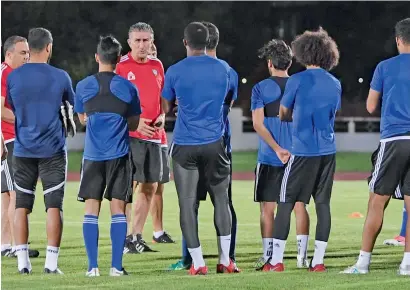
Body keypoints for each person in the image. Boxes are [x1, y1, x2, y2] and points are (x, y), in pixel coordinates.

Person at [263, 27, 341, 272]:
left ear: (303, 52)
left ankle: (276, 261)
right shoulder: (335, 83)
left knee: (285, 201)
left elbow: (284, 113)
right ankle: (317, 261)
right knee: (323, 205)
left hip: (302, 151)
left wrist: (291, 115)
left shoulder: (296, 80)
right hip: (327, 151)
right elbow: (332, 114)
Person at [163, 22, 235, 275]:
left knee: (187, 204)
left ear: (185, 42)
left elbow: (165, 107)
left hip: (185, 144)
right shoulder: (225, 69)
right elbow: (228, 101)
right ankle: (226, 261)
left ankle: (198, 262)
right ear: (208, 43)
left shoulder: (174, 70)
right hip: (215, 142)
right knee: (221, 201)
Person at [342, 18, 410, 276]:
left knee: (376, 202)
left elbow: (371, 106)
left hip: (394, 139)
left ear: (397, 40)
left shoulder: (385, 66)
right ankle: (407, 265)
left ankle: (362, 263)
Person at [7, 27, 75, 274]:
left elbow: (12, 107)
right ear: (49, 47)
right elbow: (70, 106)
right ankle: (50, 264)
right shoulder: (61, 76)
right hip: (53, 150)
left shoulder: (14, 77)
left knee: (21, 206)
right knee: (54, 206)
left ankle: (23, 264)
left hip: (23, 148)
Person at [75, 35, 141, 277]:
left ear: (96, 57)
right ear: (118, 60)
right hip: (120, 155)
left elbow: (82, 119)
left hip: (92, 156)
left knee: (91, 209)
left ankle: (92, 267)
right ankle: (116, 267)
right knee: (118, 209)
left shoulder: (82, 86)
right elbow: (134, 124)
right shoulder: (129, 87)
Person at [251, 39, 310, 269]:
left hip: (269, 156)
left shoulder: (260, 88)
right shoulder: (301, 86)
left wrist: (277, 149)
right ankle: (302, 258)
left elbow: (258, 124)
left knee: (268, 207)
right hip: (298, 156)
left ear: (269, 63)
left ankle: (268, 257)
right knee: (299, 205)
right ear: (290, 62)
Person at [116, 23, 174, 255]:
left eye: (146, 40)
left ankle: (135, 237)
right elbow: (113, 103)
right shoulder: (120, 67)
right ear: (129, 43)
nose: (142, 45)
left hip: (155, 136)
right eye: (137, 41)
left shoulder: (157, 65)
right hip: (130, 136)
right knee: (126, 189)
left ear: (152, 42)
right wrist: (134, 122)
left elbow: (163, 100)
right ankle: (122, 237)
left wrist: (162, 115)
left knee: (151, 186)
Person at [1, 35, 39, 259]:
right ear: (9, 54)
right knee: (16, 194)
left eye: (28, 52)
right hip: (9, 141)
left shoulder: (15, 74)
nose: (27, 56)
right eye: (22, 53)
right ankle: (16, 246)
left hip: (14, 139)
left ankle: (5, 245)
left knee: (7, 195)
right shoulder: (4, 73)